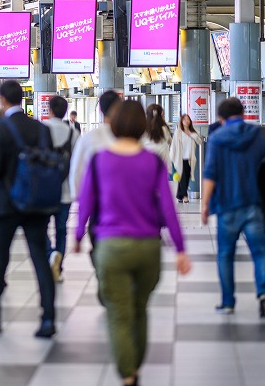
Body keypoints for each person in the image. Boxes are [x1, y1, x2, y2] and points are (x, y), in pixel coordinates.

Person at [75, 101, 191, 386]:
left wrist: (77, 235)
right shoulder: (151, 161)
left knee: (119, 313)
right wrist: (180, 249)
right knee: (139, 309)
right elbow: (167, 207)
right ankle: (135, 364)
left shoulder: (100, 159)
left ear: (113, 125)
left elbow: (87, 202)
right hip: (148, 247)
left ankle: (128, 373)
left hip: (111, 247)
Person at [0, 80, 56, 339]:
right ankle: (48, 319)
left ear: (2, 99)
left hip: (6, 204)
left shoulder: (1, 128)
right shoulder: (40, 127)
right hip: (35, 201)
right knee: (40, 259)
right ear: (22, 99)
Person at [201, 98, 265, 318]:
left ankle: (228, 301)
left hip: (227, 205)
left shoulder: (216, 138)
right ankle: (264, 295)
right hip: (254, 203)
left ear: (221, 118)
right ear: (243, 113)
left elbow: (211, 173)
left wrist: (205, 204)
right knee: (260, 252)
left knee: (225, 254)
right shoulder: (259, 136)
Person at [42, 95, 78, 283]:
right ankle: (59, 264)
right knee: (62, 230)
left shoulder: (42, 128)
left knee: (41, 228)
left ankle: (50, 254)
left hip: (45, 189)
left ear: (51, 110)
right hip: (65, 189)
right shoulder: (73, 132)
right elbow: (77, 160)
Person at [170, 114, 203, 204]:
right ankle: (185, 196)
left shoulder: (193, 131)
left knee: (186, 177)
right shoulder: (178, 132)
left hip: (190, 158)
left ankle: (179, 195)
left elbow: (199, 141)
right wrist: (171, 156)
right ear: (181, 121)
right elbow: (174, 145)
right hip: (180, 158)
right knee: (183, 177)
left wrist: (191, 135)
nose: (186, 121)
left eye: (188, 119)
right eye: (184, 119)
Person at [142, 104, 172, 173]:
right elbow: (169, 141)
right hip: (163, 163)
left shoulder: (143, 129)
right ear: (161, 114)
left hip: (147, 163)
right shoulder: (164, 129)